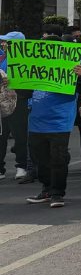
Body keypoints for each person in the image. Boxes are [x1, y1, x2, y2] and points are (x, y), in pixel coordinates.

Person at [24, 42, 81, 208]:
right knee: (39, 159)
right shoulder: (36, 71)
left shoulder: (69, 71)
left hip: (59, 124)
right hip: (36, 124)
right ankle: (47, 189)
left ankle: (57, 193)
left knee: (57, 159)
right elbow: (22, 92)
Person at [0, 31, 31, 183]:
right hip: (2, 102)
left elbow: (29, 84)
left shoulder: (26, 60)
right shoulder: (2, 57)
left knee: (20, 135)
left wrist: (13, 82)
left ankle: (21, 166)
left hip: (19, 101)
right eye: (4, 42)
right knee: (1, 136)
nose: (4, 44)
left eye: (8, 42)